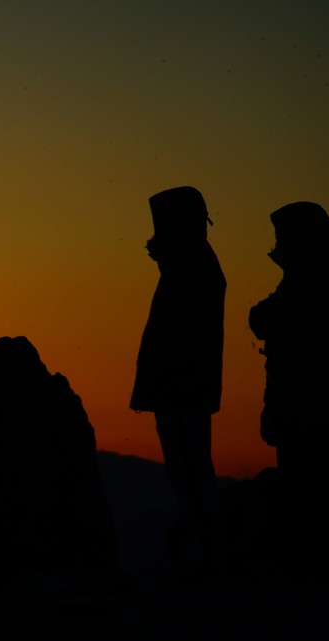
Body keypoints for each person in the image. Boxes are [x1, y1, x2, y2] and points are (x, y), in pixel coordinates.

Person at [131, 186, 226, 580]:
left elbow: (178, 335)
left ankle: (208, 555)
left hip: (182, 389)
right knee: (186, 471)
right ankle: (203, 552)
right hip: (179, 388)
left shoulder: (193, 266)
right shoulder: (191, 264)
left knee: (190, 472)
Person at [249, 202, 329, 484]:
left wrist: (291, 411)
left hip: (309, 417)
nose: (277, 246)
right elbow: (263, 320)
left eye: (282, 239)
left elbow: (269, 325)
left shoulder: (313, 286)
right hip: (306, 413)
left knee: (308, 496)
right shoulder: (311, 281)